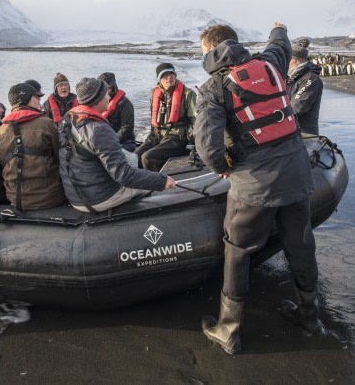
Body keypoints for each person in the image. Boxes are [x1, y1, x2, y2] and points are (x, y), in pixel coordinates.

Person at [195, 23, 322, 354]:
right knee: (300, 243)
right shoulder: (271, 63)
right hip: (296, 173)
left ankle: (229, 328)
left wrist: (224, 168)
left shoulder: (212, 88)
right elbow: (280, 43)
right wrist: (278, 28)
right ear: (235, 43)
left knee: (238, 251)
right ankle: (310, 314)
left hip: (254, 185)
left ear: (209, 50)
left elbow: (207, 147)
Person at [59, 77, 176, 212]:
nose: (109, 96)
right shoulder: (99, 130)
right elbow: (123, 175)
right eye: (105, 94)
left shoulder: (67, 119)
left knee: (131, 158)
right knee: (145, 187)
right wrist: (160, 180)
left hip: (75, 195)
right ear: (98, 99)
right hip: (98, 198)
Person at [0, 83, 66, 211]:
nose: (39, 100)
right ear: (26, 99)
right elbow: (62, 156)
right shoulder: (46, 124)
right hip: (49, 198)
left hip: (15, 198)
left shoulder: (0, 130)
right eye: (36, 97)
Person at [134, 63, 196, 172]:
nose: (169, 77)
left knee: (148, 157)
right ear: (159, 79)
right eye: (165, 75)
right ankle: (138, 182)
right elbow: (153, 119)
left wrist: (192, 142)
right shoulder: (154, 93)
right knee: (135, 158)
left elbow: (196, 122)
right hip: (157, 135)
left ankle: (159, 183)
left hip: (177, 138)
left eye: (172, 74)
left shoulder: (188, 94)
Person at [287, 41, 323, 135]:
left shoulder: (311, 79)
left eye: (288, 59)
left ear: (296, 60)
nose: (286, 62)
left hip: (305, 133)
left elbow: (296, 107)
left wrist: (274, 118)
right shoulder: (290, 78)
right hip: (290, 131)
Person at [97, 72, 136, 152]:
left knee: (108, 154)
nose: (105, 91)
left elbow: (127, 128)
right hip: (104, 140)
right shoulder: (97, 102)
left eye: (108, 88)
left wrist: (111, 141)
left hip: (125, 142)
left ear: (113, 87)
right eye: (103, 89)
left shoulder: (125, 103)